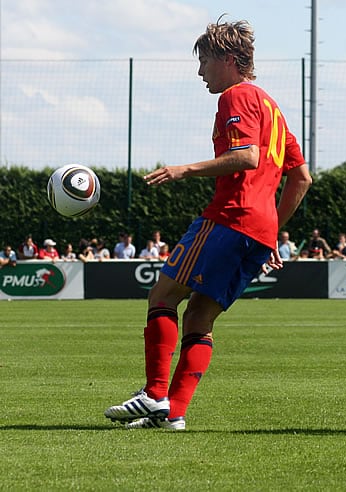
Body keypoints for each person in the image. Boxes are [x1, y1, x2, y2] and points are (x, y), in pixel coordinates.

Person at [105, 16, 311, 431]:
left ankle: (154, 393)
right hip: (258, 231)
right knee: (199, 318)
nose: (200, 72)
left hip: (230, 217)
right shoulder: (273, 108)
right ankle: (173, 414)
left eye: (205, 61)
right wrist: (272, 231)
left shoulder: (236, 96)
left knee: (162, 296)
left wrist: (185, 169)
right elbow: (301, 177)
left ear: (230, 60)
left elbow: (247, 156)